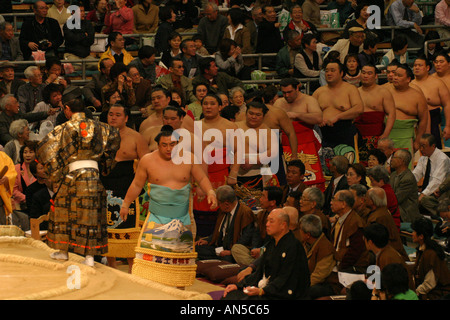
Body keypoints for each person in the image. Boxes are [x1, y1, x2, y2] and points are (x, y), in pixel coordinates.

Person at [36, 98, 121, 267]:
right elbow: (115, 138)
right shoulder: (102, 127)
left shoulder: (63, 128)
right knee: (91, 215)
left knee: (63, 212)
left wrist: (57, 170)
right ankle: (89, 256)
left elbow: (44, 149)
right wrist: (104, 163)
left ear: (67, 109)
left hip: (72, 176)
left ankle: (63, 251)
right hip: (94, 176)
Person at [119, 125, 218, 255]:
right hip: (156, 217)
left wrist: (210, 192)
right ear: (158, 145)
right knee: (153, 256)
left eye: (172, 144)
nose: (168, 149)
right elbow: (137, 184)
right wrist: (125, 204)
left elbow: (202, 178)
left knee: (180, 258)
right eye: (164, 145)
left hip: (182, 217)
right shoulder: (147, 160)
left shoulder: (189, 158)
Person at [222, 208, 310, 300]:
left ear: (283, 225)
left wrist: (262, 291)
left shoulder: (294, 247)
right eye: (267, 220)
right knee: (230, 295)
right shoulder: (271, 244)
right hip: (267, 288)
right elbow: (259, 272)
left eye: (271, 221)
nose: (267, 224)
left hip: (284, 294)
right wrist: (238, 286)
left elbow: (286, 279)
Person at [101, 104, 148, 272]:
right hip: (104, 187)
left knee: (129, 230)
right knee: (106, 230)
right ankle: (111, 266)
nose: (113, 117)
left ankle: (132, 268)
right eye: (111, 114)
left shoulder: (136, 137)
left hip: (129, 188)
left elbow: (146, 164)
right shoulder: (100, 136)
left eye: (118, 115)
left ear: (126, 118)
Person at [273, 78, 324, 187]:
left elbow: (319, 118)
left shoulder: (309, 100)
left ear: (297, 88)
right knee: (287, 180)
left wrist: (296, 115)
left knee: (310, 180)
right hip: (285, 145)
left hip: (306, 144)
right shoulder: (278, 102)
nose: (286, 96)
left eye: (289, 92)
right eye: (284, 93)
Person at [326, 190, 370, 295]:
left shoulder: (355, 222)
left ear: (343, 204)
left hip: (350, 269)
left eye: (334, 199)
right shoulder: (340, 219)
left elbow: (354, 252)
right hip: (338, 264)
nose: (331, 202)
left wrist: (339, 267)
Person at [313, 60, 364, 152]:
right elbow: (310, 111)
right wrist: (318, 119)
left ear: (341, 73)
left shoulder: (350, 89)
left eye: (332, 70)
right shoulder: (318, 92)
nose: (329, 73)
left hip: (344, 129)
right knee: (325, 163)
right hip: (323, 132)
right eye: (327, 71)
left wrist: (338, 117)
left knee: (347, 162)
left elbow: (359, 109)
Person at [196, 185, 255, 262]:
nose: (218, 206)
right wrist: (207, 240)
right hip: (220, 247)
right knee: (197, 248)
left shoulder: (245, 212)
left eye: (219, 203)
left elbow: (246, 238)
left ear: (226, 204)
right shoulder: (223, 212)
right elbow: (218, 232)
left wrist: (231, 252)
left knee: (227, 258)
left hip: (232, 251)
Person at [233, 101, 277, 190]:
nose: (253, 117)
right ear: (246, 113)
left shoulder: (267, 131)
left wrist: (253, 160)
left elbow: (272, 152)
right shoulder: (235, 126)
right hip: (234, 172)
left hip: (258, 173)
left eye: (258, 115)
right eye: (251, 113)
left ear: (263, 116)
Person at [387, 63, 428, 154]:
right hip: (387, 136)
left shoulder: (417, 96)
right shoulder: (385, 91)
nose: (395, 77)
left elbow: (424, 120)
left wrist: (418, 141)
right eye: (395, 74)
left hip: (407, 136)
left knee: (405, 165)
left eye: (399, 76)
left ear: (408, 79)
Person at [412, 56, 450, 146]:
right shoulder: (410, 85)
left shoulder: (437, 83)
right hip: (415, 122)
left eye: (420, 65)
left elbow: (447, 104)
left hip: (435, 122)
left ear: (427, 68)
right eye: (415, 65)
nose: (417, 67)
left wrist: (448, 126)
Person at [365, 187, 408, 261]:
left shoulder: (379, 217)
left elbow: (378, 242)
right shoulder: (381, 211)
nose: (364, 199)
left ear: (372, 201)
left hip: (388, 256)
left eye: (366, 197)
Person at [411, 217, 450, 300]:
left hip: (437, 294)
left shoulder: (431, 254)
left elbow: (429, 283)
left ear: (421, 236)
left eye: (414, 231)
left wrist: (414, 293)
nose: (412, 234)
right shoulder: (422, 249)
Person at [299, 213, 336, 300]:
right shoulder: (306, 243)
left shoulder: (326, 249)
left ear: (308, 235)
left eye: (300, 229)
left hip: (327, 284)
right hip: (308, 280)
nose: (299, 232)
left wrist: (299, 285)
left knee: (304, 292)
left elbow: (318, 276)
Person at [413, 134, 450, 218]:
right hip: (430, 192)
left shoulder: (442, 159)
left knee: (424, 200)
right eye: (420, 146)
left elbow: (437, 181)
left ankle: (441, 217)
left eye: (424, 146)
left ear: (433, 146)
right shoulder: (423, 158)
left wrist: (423, 194)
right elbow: (415, 175)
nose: (421, 149)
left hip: (441, 194)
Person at [389, 148, 422, 222]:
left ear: (402, 161)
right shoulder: (393, 175)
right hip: (395, 209)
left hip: (405, 214)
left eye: (394, 157)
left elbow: (396, 199)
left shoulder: (408, 178)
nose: (391, 160)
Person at [63, 4, 96, 71]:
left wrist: (78, 38)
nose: (83, 13)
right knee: (76, 67)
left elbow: (90, 40)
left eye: (83, 11)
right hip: (72, 54)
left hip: (86, 55)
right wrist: (84, 35)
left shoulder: (88, 24)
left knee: (97, 65)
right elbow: (71, 39)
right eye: (80, 11)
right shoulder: (68, 24)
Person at [367, 166, 401, 230]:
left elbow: (379, 212)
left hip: (390, 225)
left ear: (381, 181)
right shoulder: (385, 190)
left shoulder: (385, 192)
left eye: (372, 181)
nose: (371, 184)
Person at [13, 141, 38, 211]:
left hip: (37, 204)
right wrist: (26, 198)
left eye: (31, 152)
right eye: (25, 152)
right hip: (21, 205)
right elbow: (14, 190)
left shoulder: (40, 168)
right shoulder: (16, 168)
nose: (27, 155)